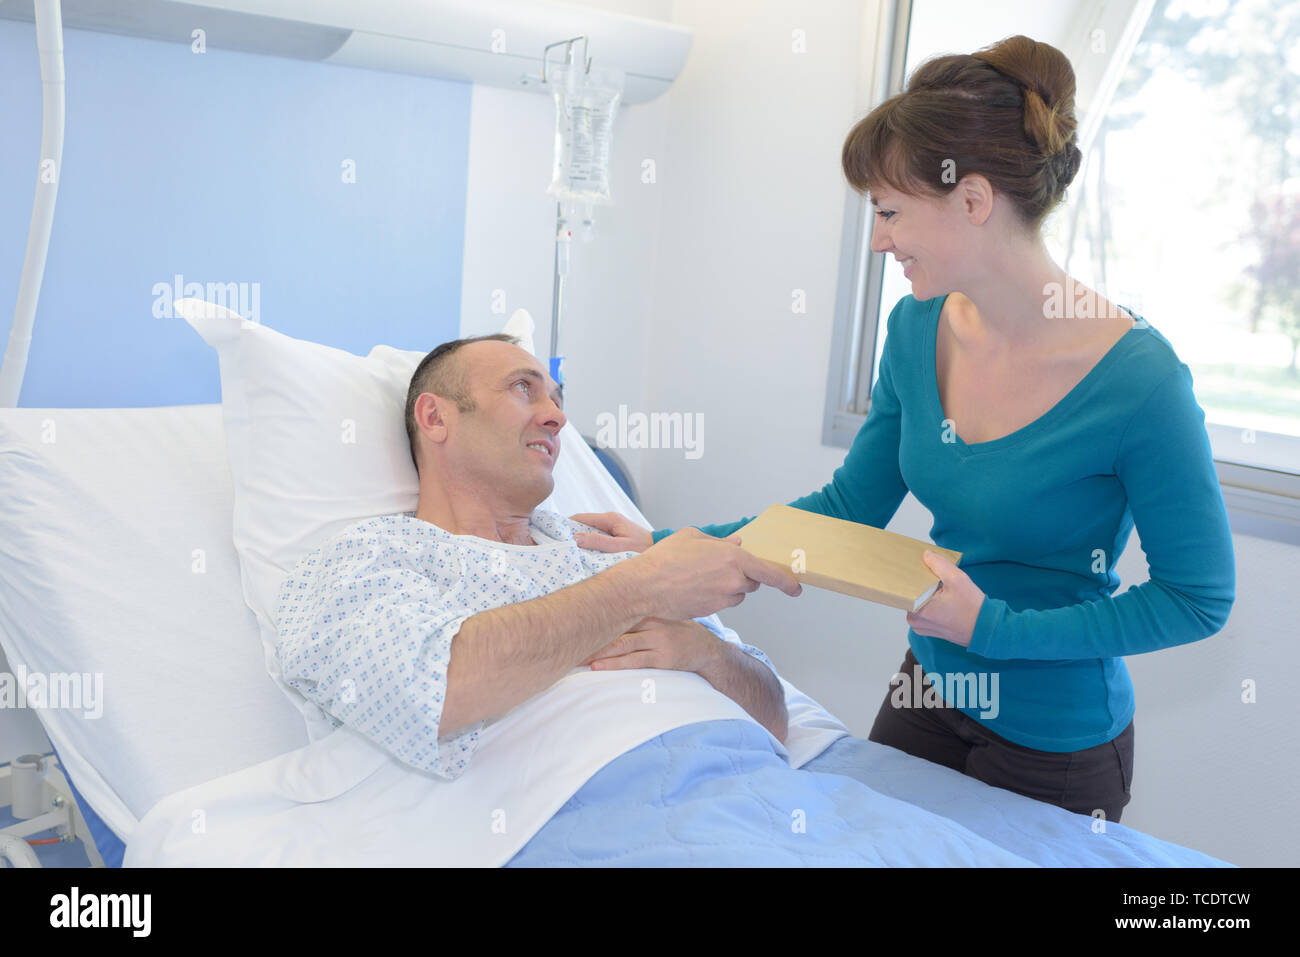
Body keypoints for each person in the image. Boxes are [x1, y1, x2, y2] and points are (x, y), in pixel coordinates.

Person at [574, 35, 1236, 825]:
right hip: (925, 691)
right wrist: (670, 543)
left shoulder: (1140, 380)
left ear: (974, 200)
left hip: (1054, 741)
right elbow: (852, 503)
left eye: (890, 212)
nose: (880, 238)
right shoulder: (918, 329)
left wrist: (996, 628)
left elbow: (1198, 598)